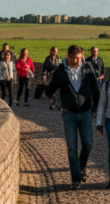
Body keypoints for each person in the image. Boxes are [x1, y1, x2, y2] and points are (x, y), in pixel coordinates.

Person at [43, 45, 100, 189]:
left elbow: (95, 89)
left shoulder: (87, 68)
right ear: (68, 56)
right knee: (72, 148)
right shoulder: (61, 71)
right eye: (73, 57)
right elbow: (50, 90)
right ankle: (76, 179)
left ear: (82, 56)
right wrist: (55, 101)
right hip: (69, 114)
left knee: (88, 144)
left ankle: (80, 168)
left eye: (78, 58)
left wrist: (96, 108)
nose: (76, 60)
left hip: (86, 112)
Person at [42, 46, 61, 110]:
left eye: (56, 51)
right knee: (52, 91)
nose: (56, 53)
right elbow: (45, 67)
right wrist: (45, 75)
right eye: (55, 51)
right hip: (49, 75)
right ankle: (52, 103)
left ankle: (55, 104)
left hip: (56, 76)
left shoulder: (57, 59)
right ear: (51, 51)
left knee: (57, 90)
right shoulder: (48, 58)